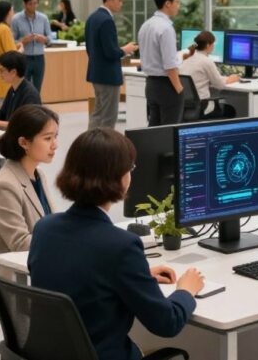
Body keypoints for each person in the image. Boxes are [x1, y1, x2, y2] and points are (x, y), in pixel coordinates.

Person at [29, 127, 204, 360]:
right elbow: (167, 323)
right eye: (130, 168)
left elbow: (78, 273)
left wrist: (138, 276)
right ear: (120, 178)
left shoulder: (44, 228)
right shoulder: (121, 246)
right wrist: (186, 290)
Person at [0, 105, 59, 315]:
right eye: (48, 138)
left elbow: (49, 224)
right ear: (24, 142)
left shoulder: (38, 175)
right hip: (21, 282)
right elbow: (21, 243)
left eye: (55, 137)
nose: (55, 144)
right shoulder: (4, 185)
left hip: (43, 268)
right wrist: (65, 242)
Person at [86, 0, 137, 130]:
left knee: (98, 114)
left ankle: (90, 142)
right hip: (108, 75)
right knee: (108, 117)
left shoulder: (92, 17)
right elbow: (110, 52)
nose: (121, 4)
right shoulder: (107, 20)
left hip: (96, 72)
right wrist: (125, 50)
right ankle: (105, 144)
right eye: (119, 0)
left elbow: (91, 48)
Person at [137, 0, 184, 127]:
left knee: (154, 128)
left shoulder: (146, 25)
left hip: (151, 84)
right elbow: (170, 65)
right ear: (167, 3)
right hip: (166, 86)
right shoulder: (166, 28)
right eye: (177, 2)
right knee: (170, 130)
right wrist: (179, 89)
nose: (178, 6)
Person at [0, 51, 41, 130]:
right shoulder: (13, 89)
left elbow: (23, 125)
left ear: (13, 72)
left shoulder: (30, 94)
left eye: (1, 71)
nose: (0, 74)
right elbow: (1, 115)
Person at [179, 31, 239, 118]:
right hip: (202, 106)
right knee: (229, 110)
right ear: (208, 45)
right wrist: (231, 79)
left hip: (185, 105)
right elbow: (220, 85)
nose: (213, 46)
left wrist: (222, 78)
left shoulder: (186, 57)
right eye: (213, 44)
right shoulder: (206, 61)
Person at [11, 0, 53, 92]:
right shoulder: (16, 19)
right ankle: (25, 103)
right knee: (24, 88)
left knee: (37, 88)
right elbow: (12, 41)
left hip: (39, 58)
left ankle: (36, 103)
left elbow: (50, 38)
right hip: (23, 58)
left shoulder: (43, 18)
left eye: (35, 3)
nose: (33, 6)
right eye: (30, 3)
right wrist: (23, 41)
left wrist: (45, 39)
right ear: (24, 4)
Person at [0, 1, 20, 100]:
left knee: (2, 102)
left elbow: (3, 49)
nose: (13, 14)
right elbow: (12, 54)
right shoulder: (4, 29)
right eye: (12, 11)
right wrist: (21, 49)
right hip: (6, 70)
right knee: (7, 102)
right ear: (8, 12)